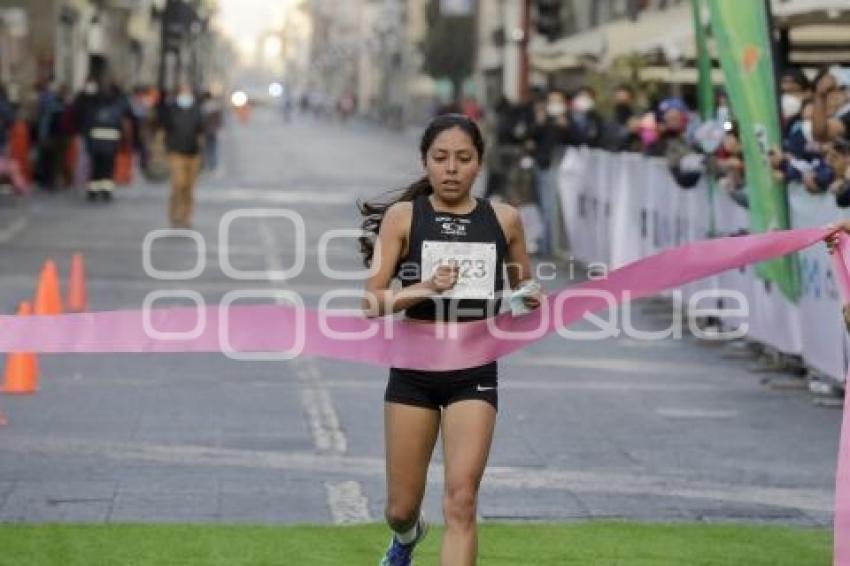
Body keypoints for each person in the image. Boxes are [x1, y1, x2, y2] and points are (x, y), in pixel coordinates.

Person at [358, 114, 541, 566]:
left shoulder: (505, 219)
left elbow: (523, 294)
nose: (452, 168)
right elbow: (372, 301)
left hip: (473, 372)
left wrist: (529, 298)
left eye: (463, 158)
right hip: (413, 373)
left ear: (479, 164)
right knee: (400, 508)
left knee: (461, 501)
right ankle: (406, 538)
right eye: (441, 158)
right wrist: (425, 288)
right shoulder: (404, 218)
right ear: (425, 162)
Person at [161, 83, 204, 228]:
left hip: (193, 153)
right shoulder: (172, 109)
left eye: (188, 91)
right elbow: (164, 128)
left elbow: (201, 129)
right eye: (183, 91)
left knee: (189, 187)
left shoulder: (197, 109)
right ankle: (174, 214)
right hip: (176, 152)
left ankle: (187, 216)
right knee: (178, 184)